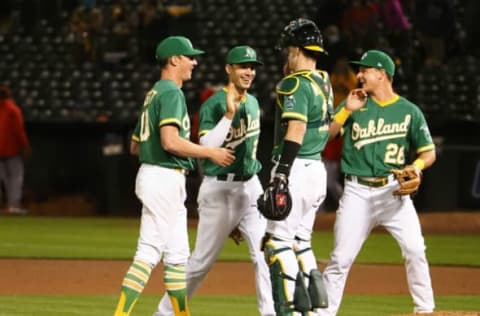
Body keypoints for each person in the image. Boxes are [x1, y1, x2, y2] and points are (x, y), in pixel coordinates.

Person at [113, 36, 235, 316]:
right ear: (174, 60)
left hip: (160, 176)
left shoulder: (154, 93)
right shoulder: (171, 93)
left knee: (168, 253)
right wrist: (210, 153)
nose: (194, 61)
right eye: (189, 56)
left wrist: (153, 150)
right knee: (163, 252)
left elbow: (134, 145)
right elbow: (170, 141)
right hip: (163, 177)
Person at [154, 45, 275, 316]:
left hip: (250, 187)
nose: (249, 72)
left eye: (252, 67)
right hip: (219, 188)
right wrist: (229, 115)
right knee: (200, 263)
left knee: (264, 256)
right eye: (243, 66)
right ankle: (163, 314)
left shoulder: (254, 102)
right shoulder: (214, 103)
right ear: (228, 69)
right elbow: (207, 143)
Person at [318, 49, 436, 315]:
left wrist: (416, 168)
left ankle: (425, 309)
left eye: (365, 70)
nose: (359, 75)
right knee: (340, 258)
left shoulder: (409, 111)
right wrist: (345, 111)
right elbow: (325, 138)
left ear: (382, 74)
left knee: (415, 249)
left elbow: (428, 153)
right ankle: (322, 313)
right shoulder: (355, 104)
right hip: (357, 192)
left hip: (394, 192)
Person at [260, 18, 333, 316]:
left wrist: (281, 175)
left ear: (297, 49)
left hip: (296, 170)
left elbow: (296, 130)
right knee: (301, 242)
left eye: (288, 50)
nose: (285, 55)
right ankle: (315, 312)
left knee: (277, 244)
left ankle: (289, 310)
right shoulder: (323, 81)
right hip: (317, 170)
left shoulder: (294, 84)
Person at [0, 86, 30, 215]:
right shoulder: (13, 109)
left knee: (3, 178)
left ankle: (8, 205)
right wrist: (25, 146)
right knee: (15, 178)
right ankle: (13, 206)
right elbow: (19, 130)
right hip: (11, 149)